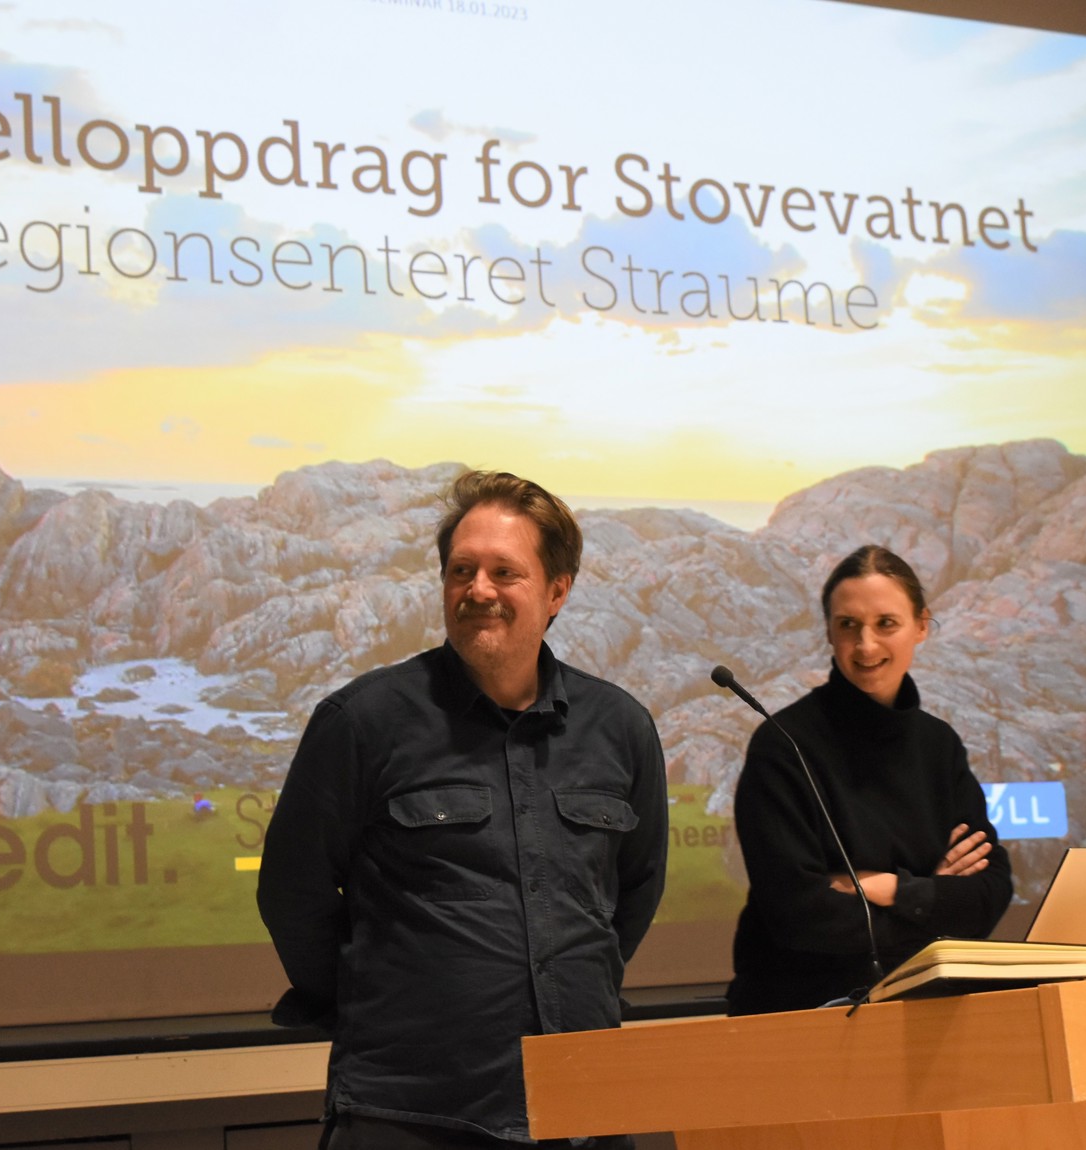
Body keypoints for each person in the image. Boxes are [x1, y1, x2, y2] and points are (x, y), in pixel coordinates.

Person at [257, 470, 668, 1149]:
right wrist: (387, 1002)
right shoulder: (362, 721)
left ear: (557, 590)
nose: (478, 590)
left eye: (504, 572)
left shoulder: (620, 729)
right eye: (461, 570)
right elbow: (292, 892)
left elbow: (634, 890)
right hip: (410, 1114)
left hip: (583, 1108)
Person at [726, 545, 1012, 1016]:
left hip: (926, 1013)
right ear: (829, 632)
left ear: (921, 625)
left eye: (886, 624)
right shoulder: (783, 746)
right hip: (800, 1018)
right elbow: (801, 917)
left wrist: (888, 888)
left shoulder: (940, 746)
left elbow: (989, 895)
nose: (866, 646)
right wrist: (933, 904)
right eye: (848, 625)